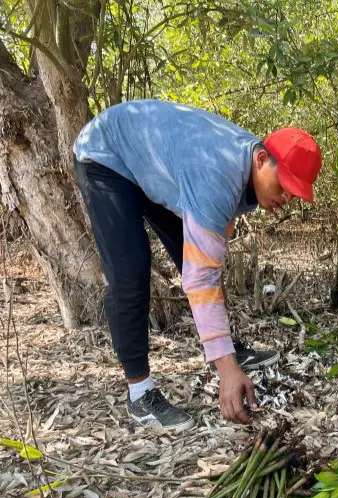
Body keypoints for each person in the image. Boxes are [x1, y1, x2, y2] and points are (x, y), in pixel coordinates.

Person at [73, 99, 322, 431]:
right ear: (262, 159)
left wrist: (225, 353)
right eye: (285, 186)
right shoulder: (216, 174)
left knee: (200, 256)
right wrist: (227, 372)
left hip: (152, 164)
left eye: (295, 192)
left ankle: (228, 349)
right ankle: (140, 394)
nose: (287, 198)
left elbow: (212, 251)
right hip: (106, 156)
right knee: (131, 271)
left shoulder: (248, 162)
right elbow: (200, 277)